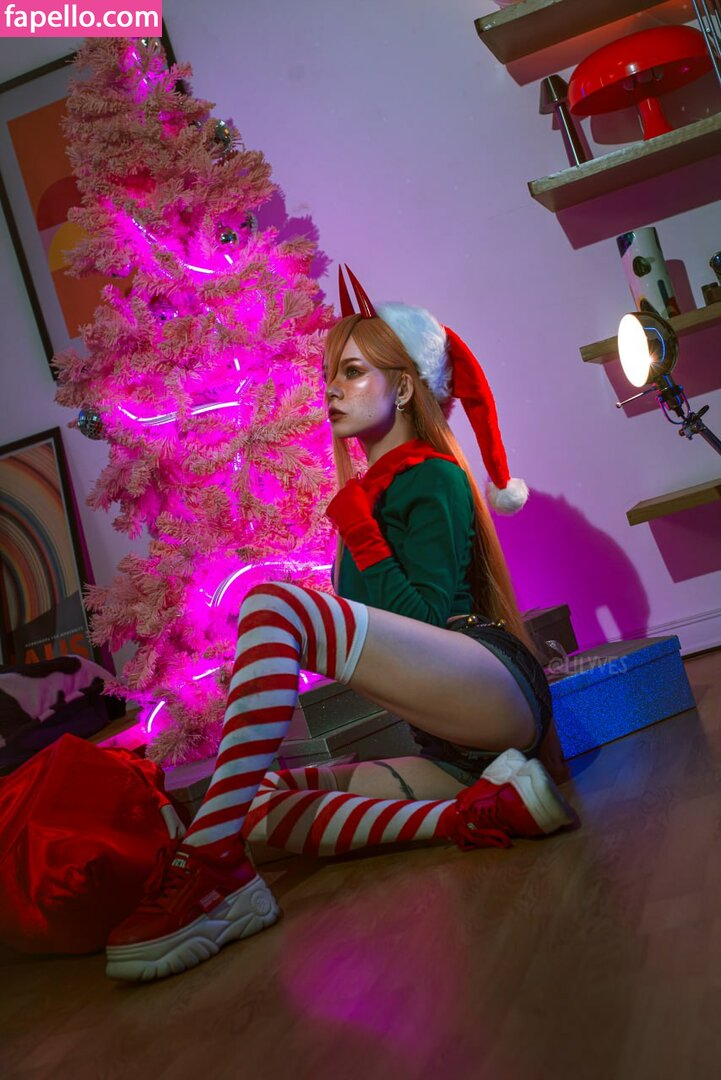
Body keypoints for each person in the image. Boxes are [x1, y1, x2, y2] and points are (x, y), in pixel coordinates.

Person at [105, 266, 579, 982]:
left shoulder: (431, 474)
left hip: (489, 688)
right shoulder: (369, 490)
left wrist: (359, 530)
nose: (331, 388)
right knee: (258, 804)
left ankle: (208, 869)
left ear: (405, 387)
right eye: (330, 373)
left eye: (353, 372)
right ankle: (480, 812)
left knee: (271, 602)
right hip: (451, 750)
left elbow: (425, 621)